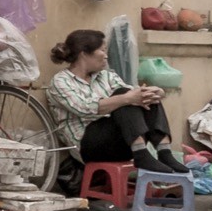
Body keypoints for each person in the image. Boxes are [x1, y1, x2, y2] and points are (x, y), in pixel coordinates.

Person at [46, 30, 189, 175]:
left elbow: (135, 94)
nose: (106, 55)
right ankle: (141, 154)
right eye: (102, 50)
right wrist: (127, 98)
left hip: (123, 143)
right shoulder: (61, 81)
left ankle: (164, 152)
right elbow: (83, 108)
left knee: (143, 95)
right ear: (84, 53)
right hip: (89, 146)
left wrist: (156, 93)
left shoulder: (107, 76)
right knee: (124, 96)